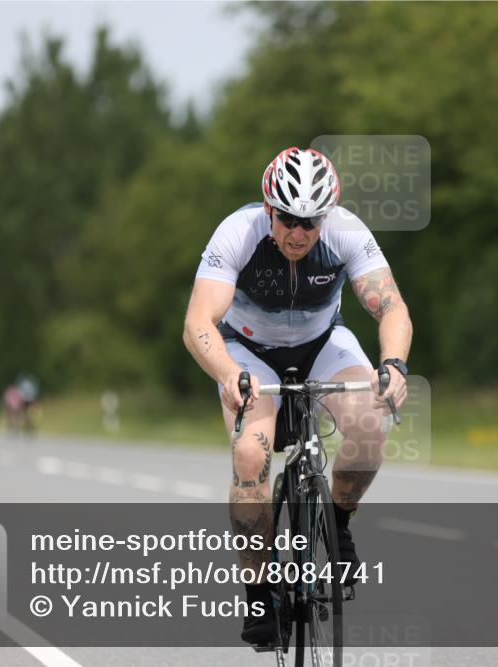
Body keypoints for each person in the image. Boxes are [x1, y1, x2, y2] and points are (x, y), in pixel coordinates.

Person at [182, 147, 412, 645]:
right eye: (287, 218)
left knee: (371, 425)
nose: (297, 233)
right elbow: (198, 321)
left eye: (310, 222)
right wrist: (228, 374)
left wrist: (393, 364)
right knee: (250, 455)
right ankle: (259, 593)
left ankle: (339, 523)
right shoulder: (237, 233)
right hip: (247, 350)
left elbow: (391, 307)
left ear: (326, 216)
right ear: (269, 208)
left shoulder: (347, 232)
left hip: (322, 342)